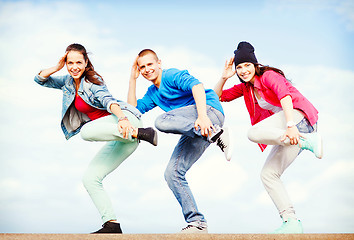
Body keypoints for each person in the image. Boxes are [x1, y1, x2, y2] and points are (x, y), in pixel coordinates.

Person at [34, 43, 158, 234]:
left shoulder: (92, 81)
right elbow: (40, 79)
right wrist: (57, 67)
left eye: (78, 62)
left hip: (125, 121)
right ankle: (111, 224)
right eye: (70, 63)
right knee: (90, 178)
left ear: (86, 63)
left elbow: (109, 101)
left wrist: (125, 121)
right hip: (121, 135)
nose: (74, 67)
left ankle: (142, 132)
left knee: (85, 132)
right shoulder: (68, 82)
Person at [214, 41, 323, 234]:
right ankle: (291, 222)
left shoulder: (268, 76)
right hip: (291, 133)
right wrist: (223, 77)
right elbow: (217, 97)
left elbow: (285, 97)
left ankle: (307, 140)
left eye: (247, 65)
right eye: (239, 67)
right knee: (268, 174)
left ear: (255, 64)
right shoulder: (246, 88)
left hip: (299, 120)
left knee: (253, 132)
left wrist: (290, 126)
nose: (243, 70)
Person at [128, 49, 232, 233]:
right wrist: (132, 79)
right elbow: (133, 109)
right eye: (141, 67)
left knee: (161, 121)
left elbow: (198, 86)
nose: (146, 69)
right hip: (200, 129)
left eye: (149, 64)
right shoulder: (153, 92)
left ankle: (213, 133)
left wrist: (202, 118)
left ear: (159, 63)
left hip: (208, 113)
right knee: (172, 173)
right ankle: (197, 223)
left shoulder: (171, 75)